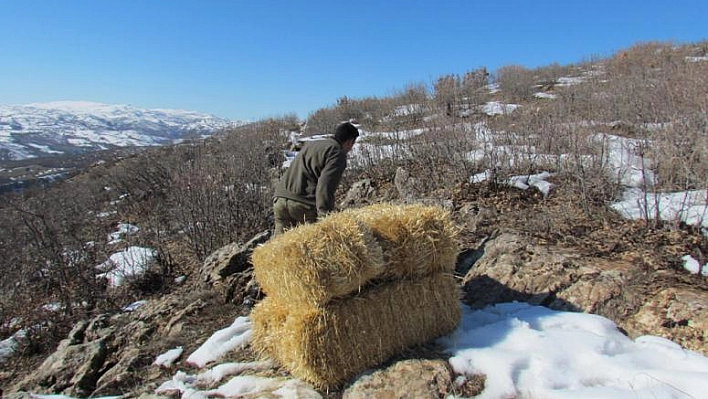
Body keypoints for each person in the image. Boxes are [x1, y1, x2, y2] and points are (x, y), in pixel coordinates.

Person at [272, 121, 359, 234]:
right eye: (352, 145)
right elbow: (325, 187)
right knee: (315, 246)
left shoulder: (312, 144)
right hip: (303, 204)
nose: (350, 149)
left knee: (280, 248)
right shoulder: (337, 153)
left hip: (280, 200)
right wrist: (325, 219)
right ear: (349, 142)